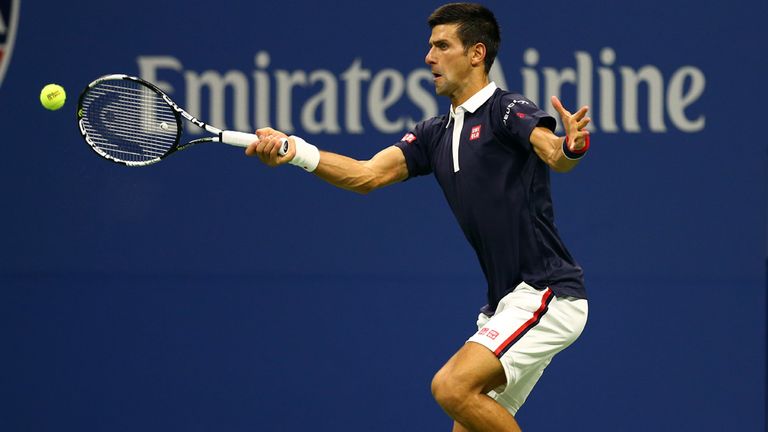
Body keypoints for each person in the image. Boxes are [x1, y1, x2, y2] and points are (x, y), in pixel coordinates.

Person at [247, 3, 590, 431]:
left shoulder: (506, 109)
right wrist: (294, 150)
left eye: (442, 46)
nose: (429, 57)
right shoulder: (434, 134)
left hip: (546, 292)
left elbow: (554, 152)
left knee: (450, 387)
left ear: (476, 54)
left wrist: (570, 146)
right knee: (464, 415)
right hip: (507, 303)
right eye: (430, 46)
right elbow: (366, 174)